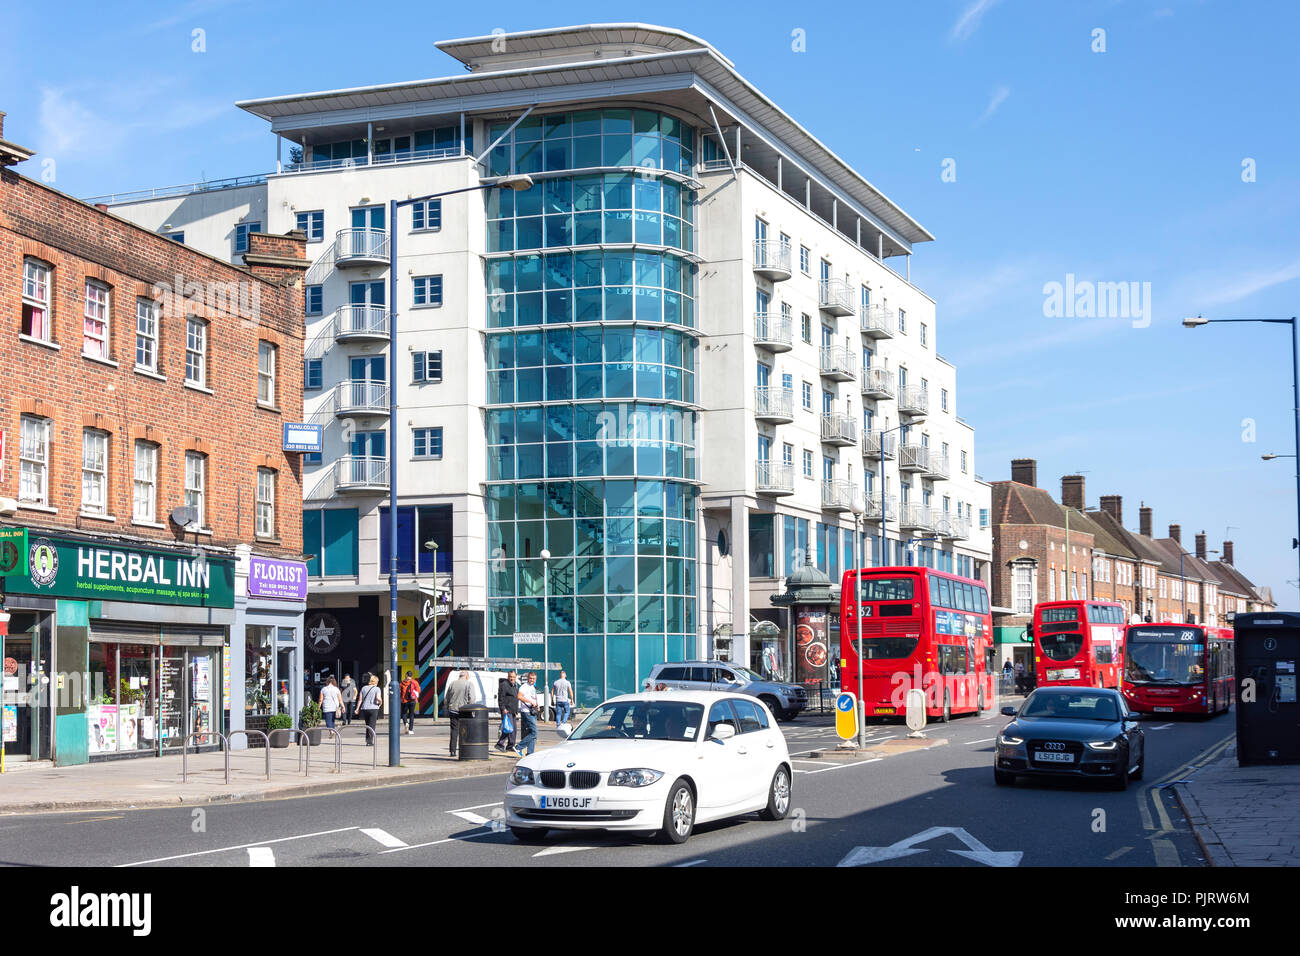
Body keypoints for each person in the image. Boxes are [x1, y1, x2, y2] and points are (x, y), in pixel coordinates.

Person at [444, 670, 474, 757]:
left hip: (453, 710)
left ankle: (452, 751)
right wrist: (470, 708)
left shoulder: (452, 684)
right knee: (465, 731)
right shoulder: (469, 684)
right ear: (467, 677)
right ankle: (465, 749)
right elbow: (472, 698)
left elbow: (447, 698)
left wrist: (448, 706)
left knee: (454, 731)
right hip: (464, 711)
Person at [495, 671, 520, 753]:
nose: (512, 678)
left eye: (513, 677)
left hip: (512, 711)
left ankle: (510, 746)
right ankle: (500, 744)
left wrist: (516, 710)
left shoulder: (514, 686)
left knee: (514, 729)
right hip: (506, 710)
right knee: (508, 728)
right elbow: (500, 698)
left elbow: (515, 699)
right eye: (510, 676)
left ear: (516, 677)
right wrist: (503, 709)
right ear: (508, 677)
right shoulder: (504, 685)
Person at [516, 671, 539, 757]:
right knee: (534, 732)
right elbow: (519, 696)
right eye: (530, 678)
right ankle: (518, 747)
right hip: (526, 711)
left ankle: (530, 753)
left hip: (532, 710)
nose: (532, 680)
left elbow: (533, 697)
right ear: (528, 678)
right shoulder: (524, 687)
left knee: (531, 732)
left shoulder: (533, 687)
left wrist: (537, 705)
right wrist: (530, 702)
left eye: (533, 679)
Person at [357, 674, 382, 745]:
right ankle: (370, 741)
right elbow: (378, 698)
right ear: (375, 682)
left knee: (367, 725)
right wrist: (380, 702)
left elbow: (360, 699)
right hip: (373, 708)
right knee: (372, 725)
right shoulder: (377, 689)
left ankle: (367, 740)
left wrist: (357, 708)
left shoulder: (364, 688)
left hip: (365, 709)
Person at [400, 670, 420, 735]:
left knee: (404, 713)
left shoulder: (402, 683)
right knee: (411, 714)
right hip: (413, 701)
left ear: (406, 675)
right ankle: (411, 730)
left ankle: (406, 723)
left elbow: (399, 692)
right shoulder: (415, 682)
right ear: (411, 676)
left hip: (404, 701)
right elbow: (418, 691)